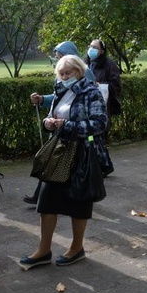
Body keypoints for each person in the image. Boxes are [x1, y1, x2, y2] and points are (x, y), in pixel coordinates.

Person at [19, 55, 107, 268]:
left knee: (79, 202)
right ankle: (44, 249)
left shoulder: (90, 92)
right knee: (47, 201)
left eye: (70, 72)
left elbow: (100, 123)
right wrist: (48, 123)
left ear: (79, 71)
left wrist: (66, 125)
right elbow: (53, 115)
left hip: (82, 153)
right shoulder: (60, 90)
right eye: (62, 73)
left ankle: (77, 248)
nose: (66, 76)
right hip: (58, 151)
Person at [23, 41, 96, 204]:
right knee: (51, 159)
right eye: (57, 58)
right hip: (59, 130)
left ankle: (65, 198)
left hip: (77, 135)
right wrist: (42, 100)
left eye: (60, 57)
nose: (58, 61)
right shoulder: (62, 75)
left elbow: (92, 105)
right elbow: (58, 98)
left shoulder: (86, 74)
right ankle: (42, 196)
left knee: (67, 166)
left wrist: (71, 123)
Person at [86, 38, 118, 175]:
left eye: (95, 47)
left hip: (102, 108)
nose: (91, 49)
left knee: (99, 137)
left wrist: (101, 86)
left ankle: (101, 166)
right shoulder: (85, 64)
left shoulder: (109, 65)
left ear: (102, 51)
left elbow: (116, 85)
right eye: (90, 46)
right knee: (91, 138)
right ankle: (103, 166)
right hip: (87, 106)